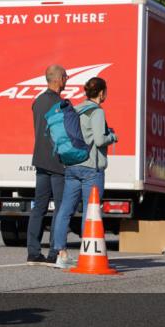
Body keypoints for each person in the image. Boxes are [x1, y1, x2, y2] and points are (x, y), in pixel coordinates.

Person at [49, 76, 117, 269]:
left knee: (65, 210)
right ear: (102, 93)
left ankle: (61, 253)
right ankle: (87, 253)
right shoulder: (97, 112)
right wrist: (113, 136)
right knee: (90, 211)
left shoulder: (76, 109)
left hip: (72, 165)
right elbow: (100, 139)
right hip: (91, 169)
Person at [27, 65, 67, 266]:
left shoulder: (38, 101)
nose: (66, 80)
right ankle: (54, 252)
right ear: (59, 79)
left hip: (40, 160)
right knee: (60, 208)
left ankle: (33, 252)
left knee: (39, 208)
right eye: (65, 77)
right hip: (57, 161)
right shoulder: (62, 104)